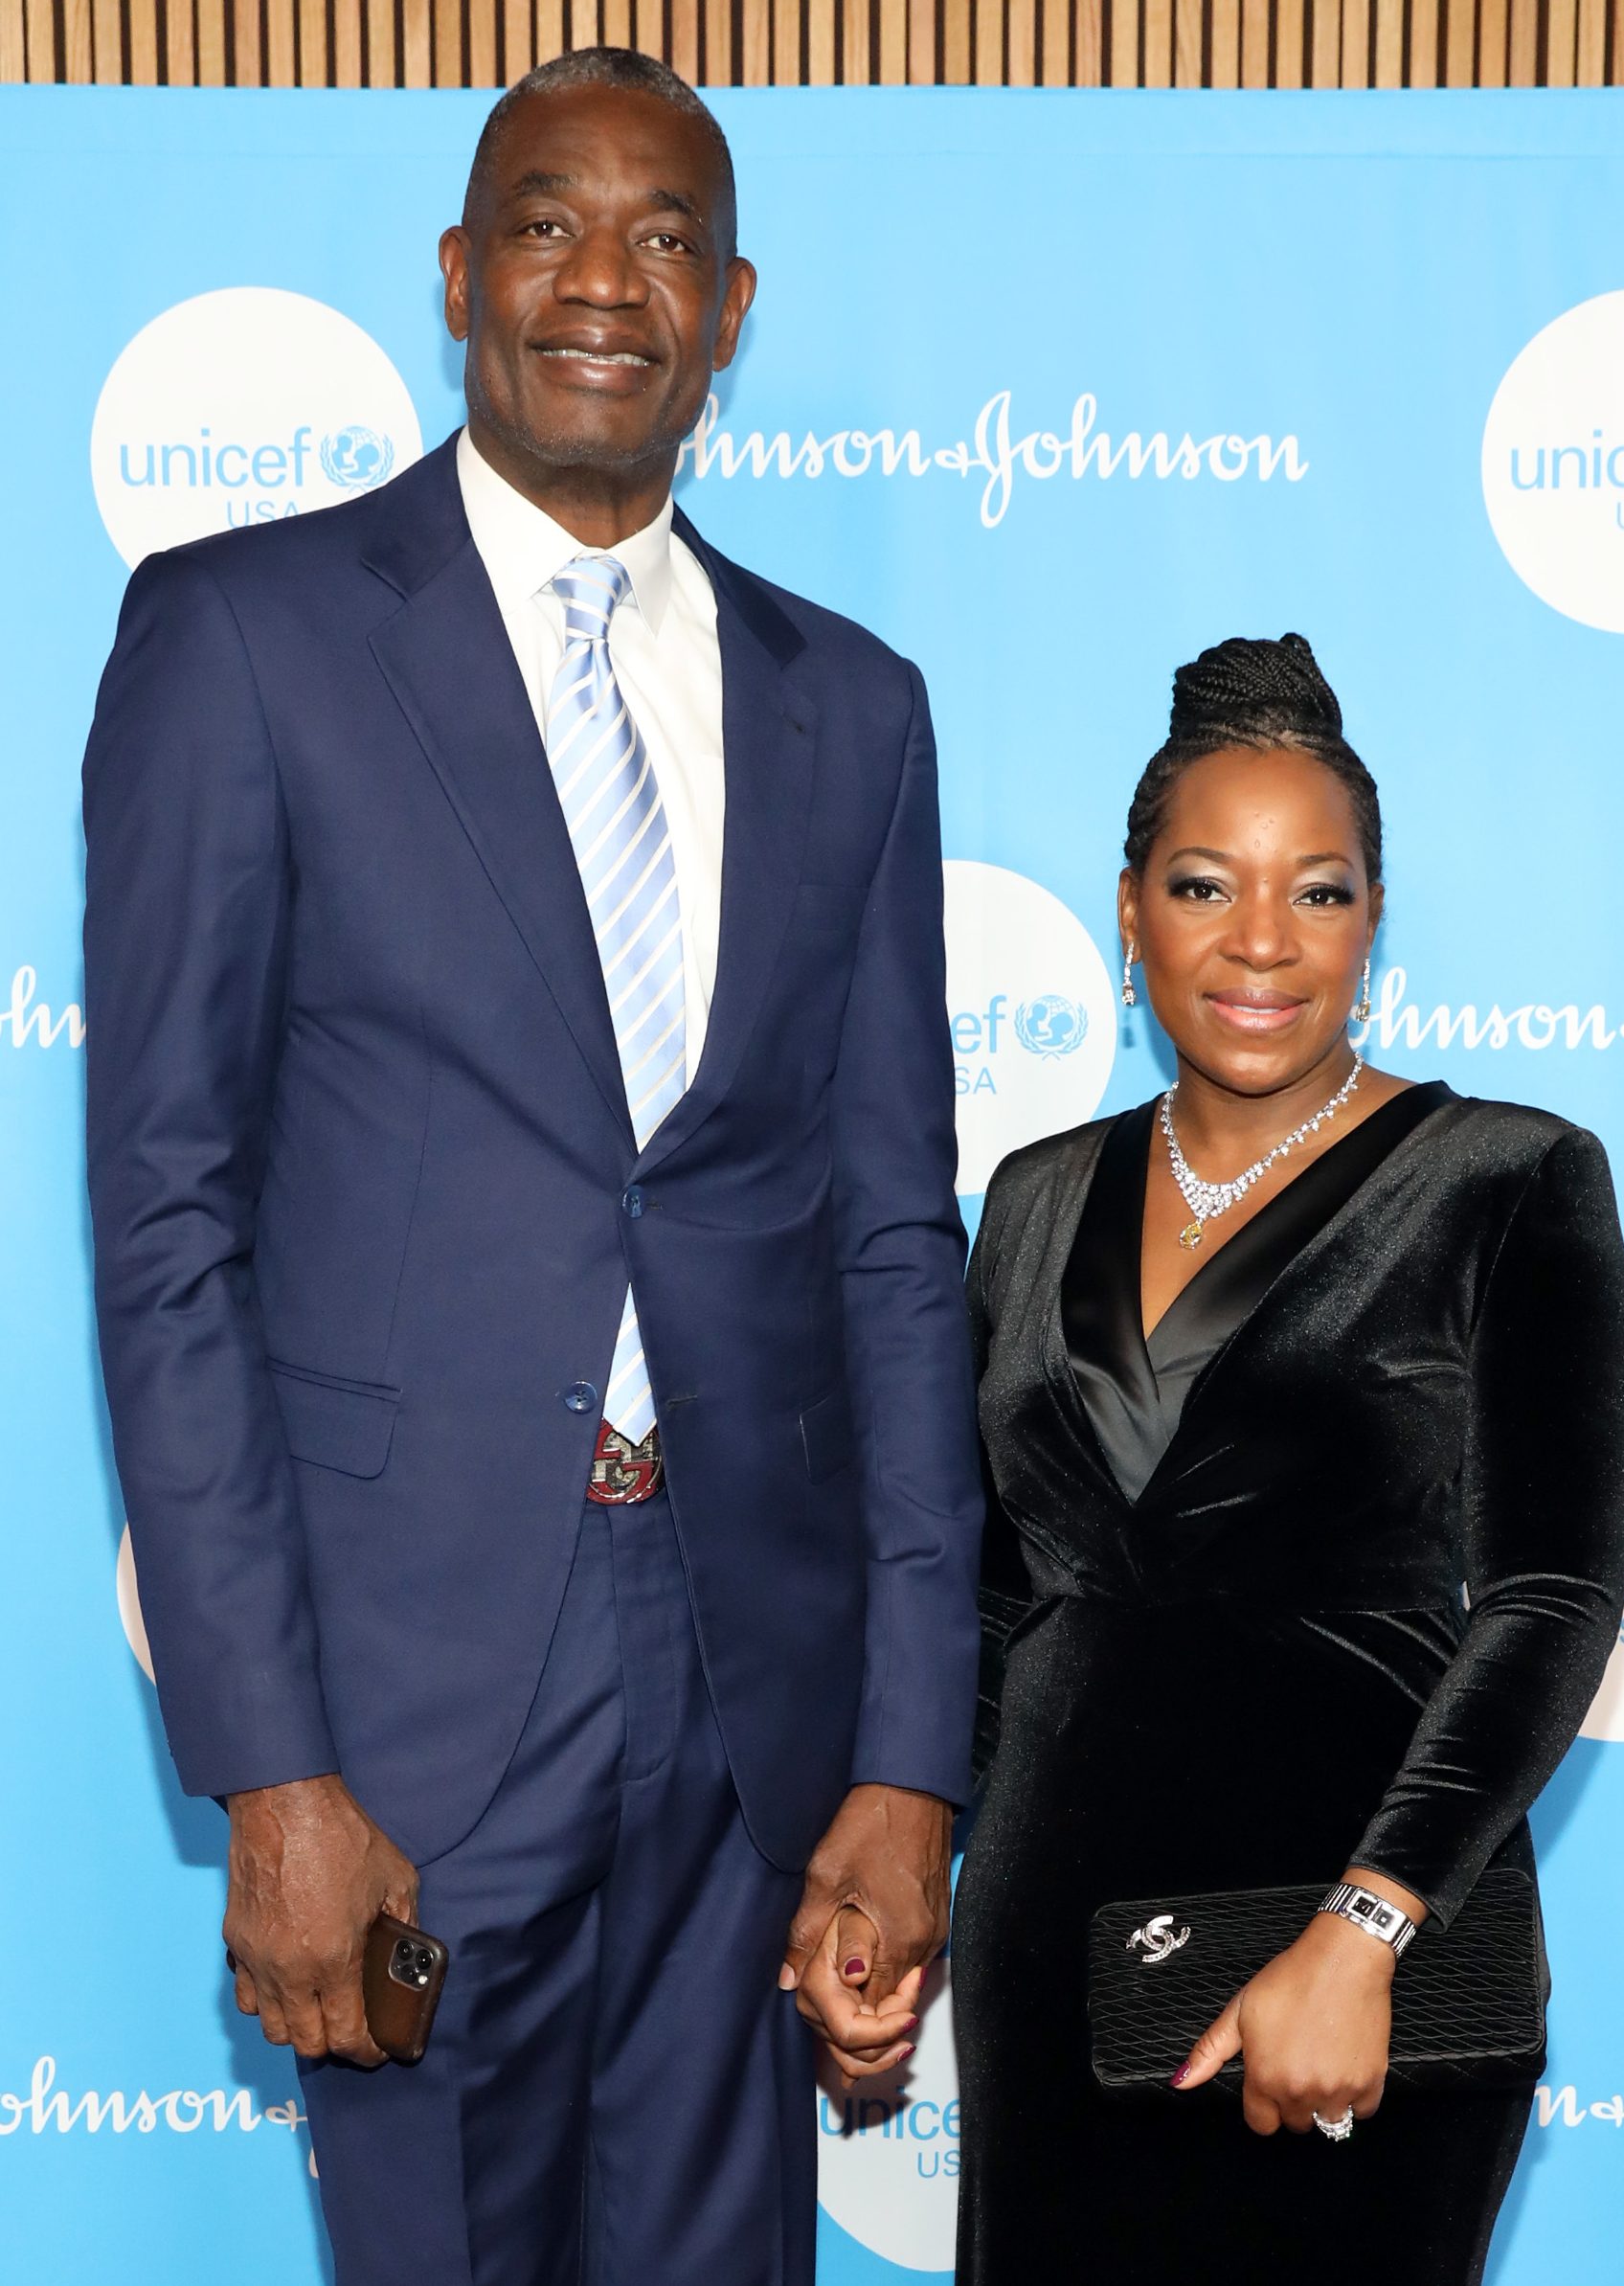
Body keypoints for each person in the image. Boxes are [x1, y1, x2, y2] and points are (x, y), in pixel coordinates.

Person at [82, 48, 983, 2286]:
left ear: (735, 305)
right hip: (401, 1703)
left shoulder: (850, 702)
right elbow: (169, 1228)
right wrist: (269, 1771)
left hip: (747, 1702)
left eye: (666, 234)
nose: (608, 278)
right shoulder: (248, 637)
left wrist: (909, 1755)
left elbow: (890, 1240)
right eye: (552, 222)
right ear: (460, 274)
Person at [953, 634, 1624, 2283]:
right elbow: (986, 1602)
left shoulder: (1511, 1180)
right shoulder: (1031, 1197)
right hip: (1054, 1953)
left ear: (1374, 919)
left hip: (1363, 1977)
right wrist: (896, 1860)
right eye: (1204, 885)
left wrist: (1368, 1926)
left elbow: (1550, 1597)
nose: (1261, 942)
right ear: (1129, 912)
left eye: (1318, 893)